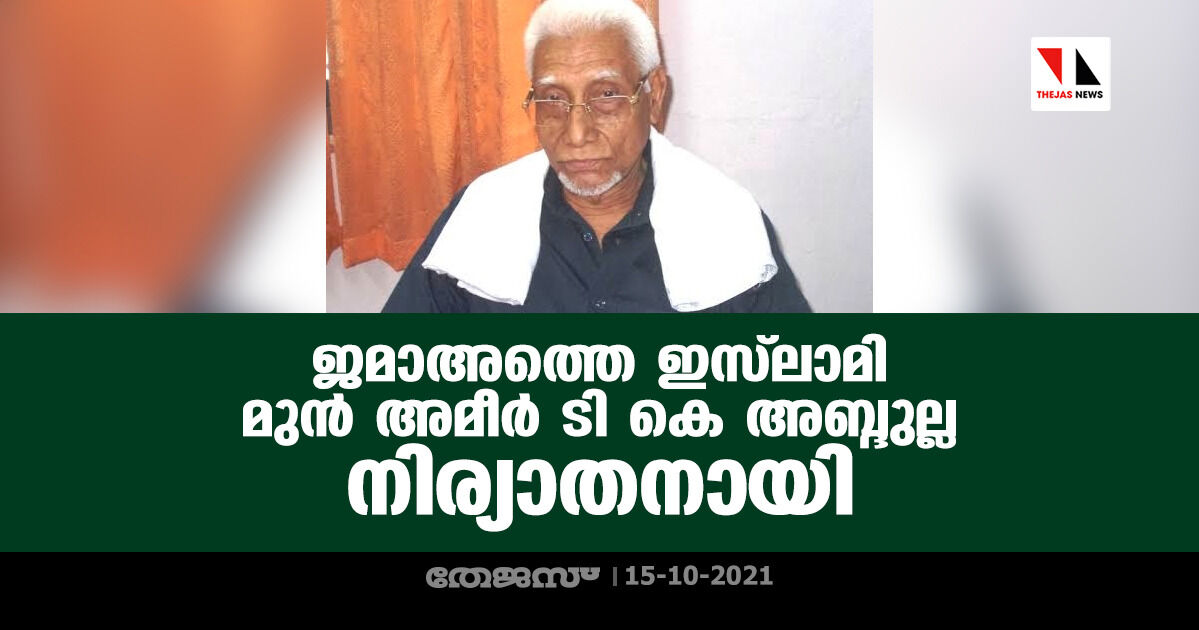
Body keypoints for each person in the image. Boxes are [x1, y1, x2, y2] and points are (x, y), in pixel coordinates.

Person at [382, 0, 811, 313]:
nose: (576, 134)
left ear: (655, 96)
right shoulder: (483, 212)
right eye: (553, 99)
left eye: (606, 95)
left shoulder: (727, 221)